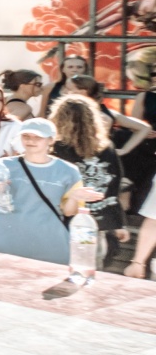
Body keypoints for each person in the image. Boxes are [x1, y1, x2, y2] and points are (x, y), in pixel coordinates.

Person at [0, 118, 83, 264]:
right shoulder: (3, 165)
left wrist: (75, 197)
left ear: (51, 140)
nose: (31, 141)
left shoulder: (69, 171)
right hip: (8, 241)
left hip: (50, 244)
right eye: (26, 136)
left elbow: (69, 212)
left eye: (38, 137)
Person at [51, 94, 127, 268]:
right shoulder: (106, 148)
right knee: (89, 267)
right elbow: (113, 187)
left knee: (57, 269)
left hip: (60, 221)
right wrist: (118, 223)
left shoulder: (56, 148)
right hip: (95, 223)